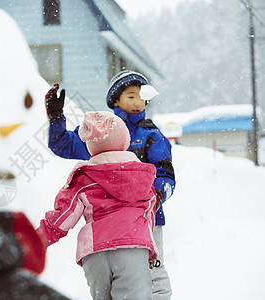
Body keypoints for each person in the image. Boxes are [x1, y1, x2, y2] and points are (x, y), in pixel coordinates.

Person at [45, 70, 175, 300]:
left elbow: (165, 173)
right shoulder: (100, 133)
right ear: (115, 100)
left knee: (153, 274)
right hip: (105, 224)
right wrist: (56, 118)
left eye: (141, 96)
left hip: (145, 218)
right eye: (131, 96)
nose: (138, 102)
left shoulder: (151, 135)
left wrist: (156, 194)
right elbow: (62, 144)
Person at [37, 111, 158, 300]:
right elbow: (149, 215)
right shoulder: (143, 177)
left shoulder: (84, 177)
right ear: (124, 141)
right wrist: (150, 249)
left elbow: (63, 215)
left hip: (95, 252)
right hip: (133, 247)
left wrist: (38, 239)